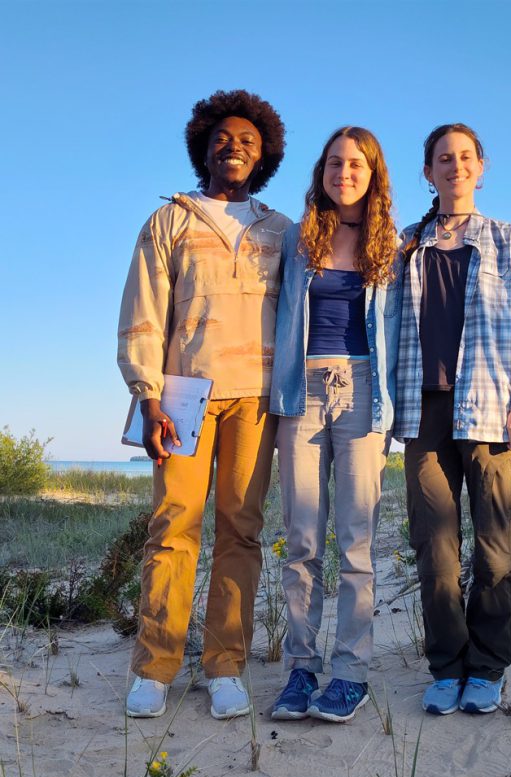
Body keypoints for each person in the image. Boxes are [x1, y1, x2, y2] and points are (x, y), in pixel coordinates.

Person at [117, 89, 292, 720]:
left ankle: (226, 666)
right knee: (173, 527)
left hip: (257, 398)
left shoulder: (281, 230)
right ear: (204, 146)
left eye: (248, 139)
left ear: (264, 152)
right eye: (223, 137)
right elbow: (142, 311)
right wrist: (148, 395)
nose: (235, 146)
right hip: (183, 395)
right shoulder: (170, 220)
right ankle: (155, 667)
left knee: (241, 531)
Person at [394, 123, 511, 715]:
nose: (454, 166)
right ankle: (447, 664)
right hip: (423, 409)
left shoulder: (509, 239)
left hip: (488, 407)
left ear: (481, 167)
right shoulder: (406, 243)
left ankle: (488, 665)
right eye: (442, 159)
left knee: (496, 547)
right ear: (427, 172)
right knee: (435, 547)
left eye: (464, 157)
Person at [269, 127, 401, 722]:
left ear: (373, 174)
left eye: (355, 164)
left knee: (356, 541)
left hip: (364, 393)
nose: (343, 172)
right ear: (320, 171)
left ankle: (350, 672)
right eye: (333, 163)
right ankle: (301, 667)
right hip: (302, 393)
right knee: (301, 539)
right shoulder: (296, 241)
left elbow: (404, 333)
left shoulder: (391, 247)